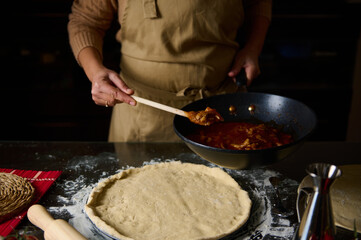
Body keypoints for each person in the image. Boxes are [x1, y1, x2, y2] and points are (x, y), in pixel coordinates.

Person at [68, 0, 272, 142]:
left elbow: (258, 3)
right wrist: (95, 72)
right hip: (142, 114)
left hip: (222, 108)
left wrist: (253, 48)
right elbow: (85, 20)